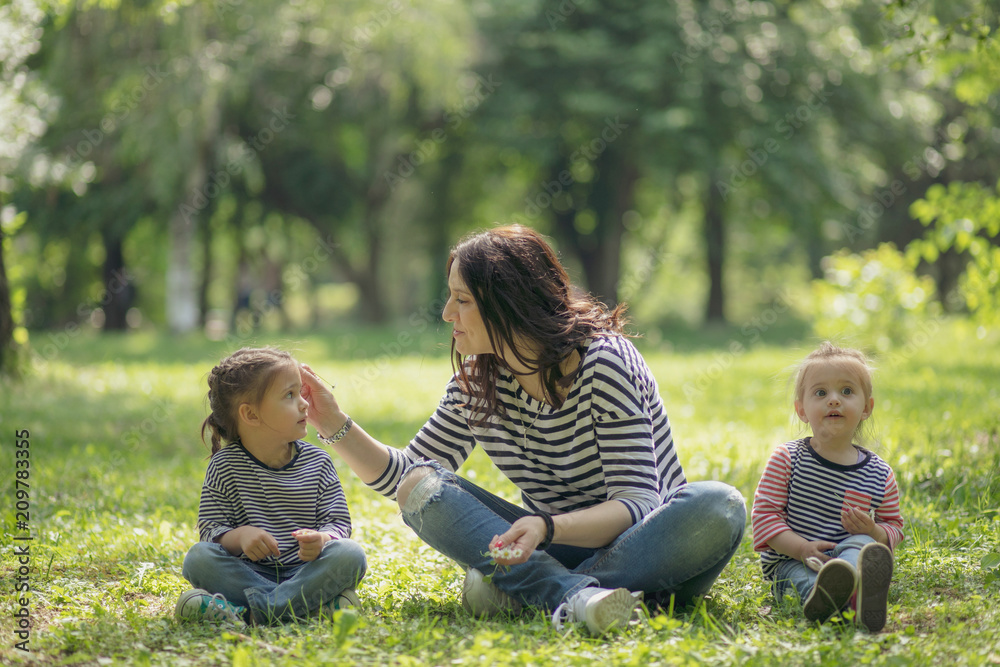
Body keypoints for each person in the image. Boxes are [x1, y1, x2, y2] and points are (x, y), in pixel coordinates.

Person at [300, 225, 746, 636]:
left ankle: (530, 592)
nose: (445, 313)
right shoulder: (479, 382)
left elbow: (638, 503)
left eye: (462, 300)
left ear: (508, 304)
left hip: (647, 543)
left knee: (719, 504)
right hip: (548, 543)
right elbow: (405, 476)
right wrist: (333, 422)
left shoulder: (605, 363)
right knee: (421, 486)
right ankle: (581, 598)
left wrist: (545, 527)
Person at [175, 347, 367, 627]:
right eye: (290, 395)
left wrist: (322, 539)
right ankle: (310, 607)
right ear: (250, 415)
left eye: (300, 392)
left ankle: (248, 613)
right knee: (198, 558)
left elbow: (337, 523)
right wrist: (240, 536)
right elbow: (211, 530)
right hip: (246, 571)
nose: (304, 403)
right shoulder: (225, 466)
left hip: (308, 570)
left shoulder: (318, 461)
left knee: (350, 554)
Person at [751, 342, 904, 632]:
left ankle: (852, 580)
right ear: (802, 409)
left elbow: (894, 526)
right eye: (821, 393)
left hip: (846, 550)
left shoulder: (879, 473)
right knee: (801, 580)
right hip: (792, 560)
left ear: (866, 407)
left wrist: (873, 531)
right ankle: (839, 598)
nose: (834, 400)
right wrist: (801, 549)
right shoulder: (787, 459)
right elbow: (764, 517)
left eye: (847, 391)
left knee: (862, 544)